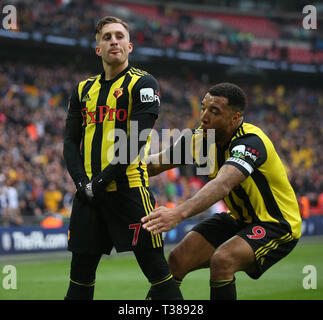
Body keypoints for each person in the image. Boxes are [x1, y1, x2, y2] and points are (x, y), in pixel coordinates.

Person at [142, 82, 302, 300]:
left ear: (235, 118)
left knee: (223, 260)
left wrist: (177, 213)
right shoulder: (201, 138)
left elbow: (222, 184)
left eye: (214, 111)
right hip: (239, 219)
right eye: (204, 108)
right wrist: (113, 166)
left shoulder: (250, 143)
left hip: (276, 224)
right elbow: (155, 164)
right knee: (178, 259)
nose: (204, 117)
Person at [63, 16, 182, 300]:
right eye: (106, 37)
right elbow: (69, 141)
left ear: (130, 47)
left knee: (159, 276)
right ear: (98, 49)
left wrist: (100, 181)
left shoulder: (144, 83)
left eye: (119, 36)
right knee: (79, 282)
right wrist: (83, 184)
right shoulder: (82, 90)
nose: (113, 41)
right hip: (88, 197)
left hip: (130, 192)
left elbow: (136, 140)